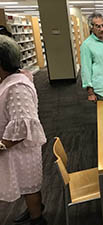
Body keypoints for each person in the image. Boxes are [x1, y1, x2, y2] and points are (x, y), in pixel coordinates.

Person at [0, 35, 47, 225]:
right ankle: (33, 210)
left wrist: (3, 145)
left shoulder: (17, 86)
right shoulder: (13, 80)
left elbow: (23, 125)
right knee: (27, 184)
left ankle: (37, 218)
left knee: (30, 185)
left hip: (20, 149)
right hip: (17, 148)